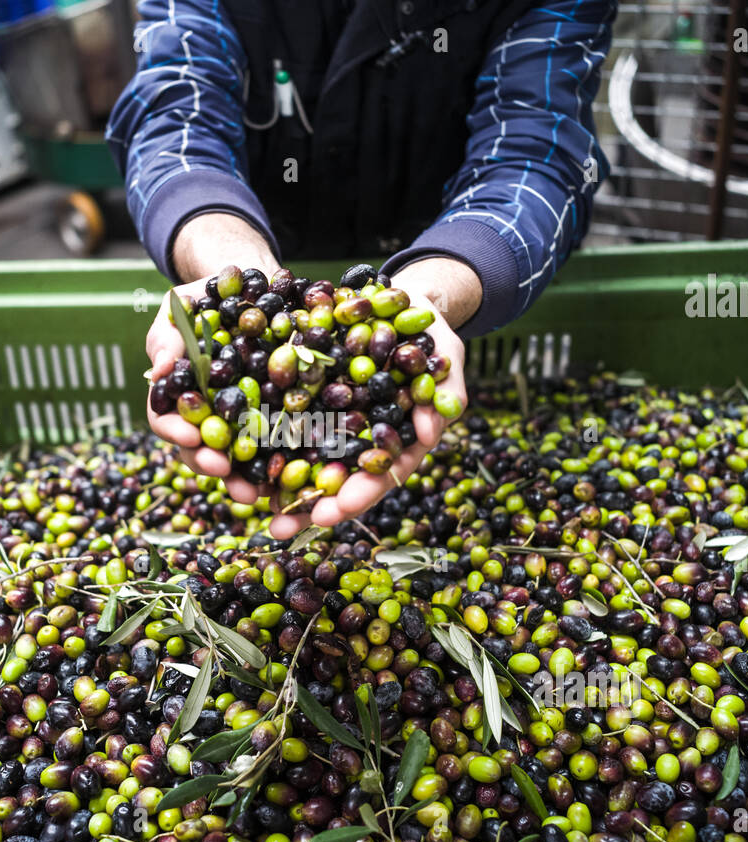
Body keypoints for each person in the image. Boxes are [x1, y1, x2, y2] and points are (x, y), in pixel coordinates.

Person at [107, 0, 616, 538]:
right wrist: (223, 253)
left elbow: (537, 152)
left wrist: (440, 283)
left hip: (455, 278)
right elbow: (175, 115)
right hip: (270, 230)